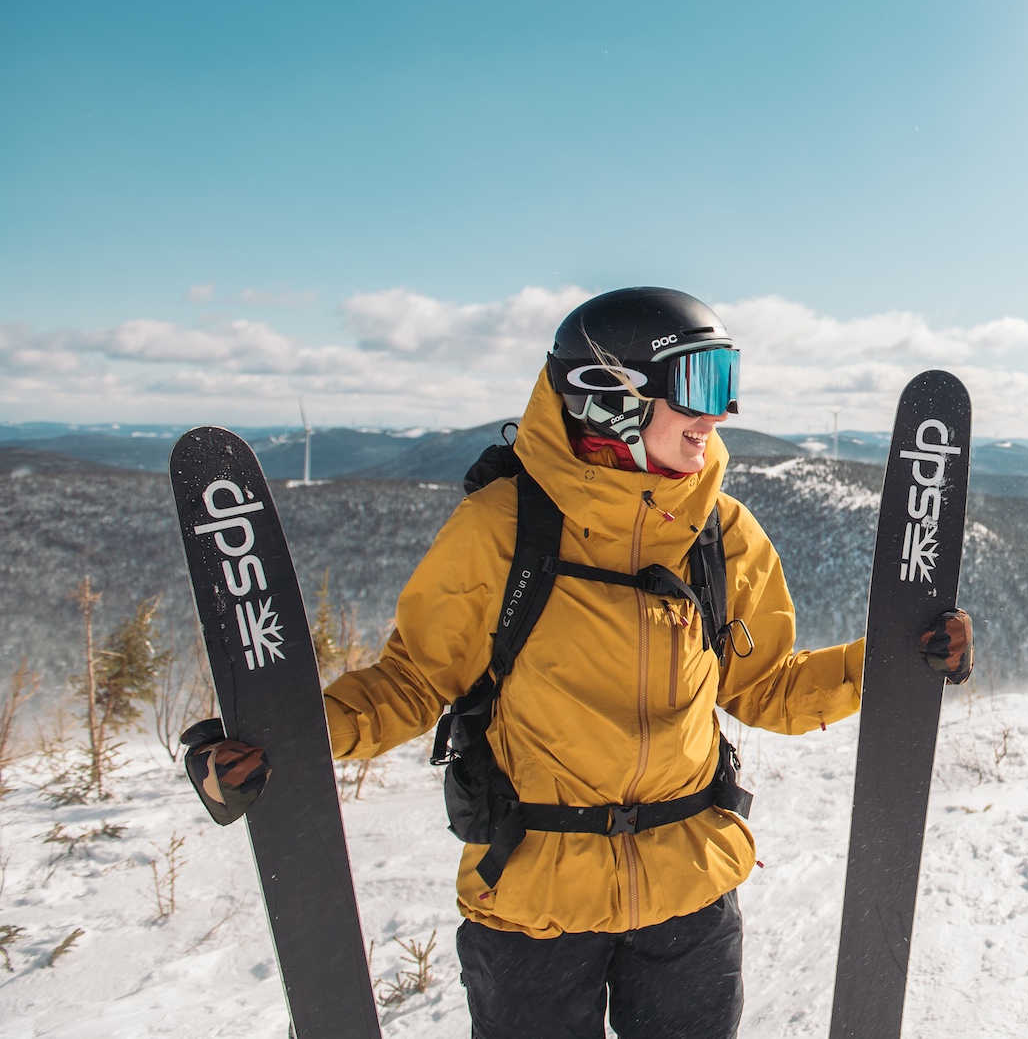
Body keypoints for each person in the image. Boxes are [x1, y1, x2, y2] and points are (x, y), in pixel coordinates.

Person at [183, 287, 973, 1039]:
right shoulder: (501, 530)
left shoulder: (721, 535)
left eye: (727, 381)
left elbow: (764, 687)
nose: (718, 414)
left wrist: (893, 667)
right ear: (612, 393)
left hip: (687, 899)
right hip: (534, 905)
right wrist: (283, 736)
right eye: (700, 381)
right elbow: (413, 681)